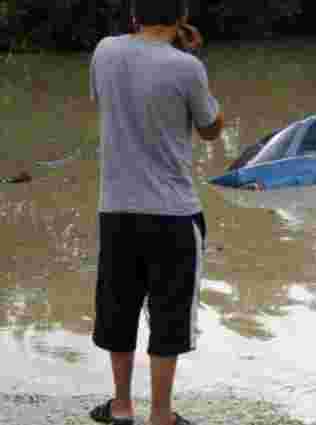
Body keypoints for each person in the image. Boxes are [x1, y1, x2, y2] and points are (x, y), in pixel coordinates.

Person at [88, 1, 224, 424]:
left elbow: (108, 100)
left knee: (118, 310)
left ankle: (122, 406)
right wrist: (194, 59)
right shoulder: (187, 67)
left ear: (135, 15)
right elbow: (210, 129)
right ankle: (161, 415)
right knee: (170, 318)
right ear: (182, 18)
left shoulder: (104, 52)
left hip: (116, 211)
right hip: (173, 216)